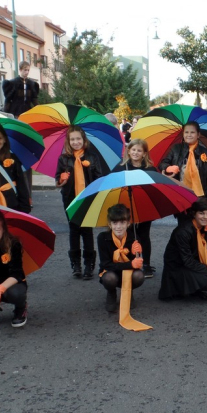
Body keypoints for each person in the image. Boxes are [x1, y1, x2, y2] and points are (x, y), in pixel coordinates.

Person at [55, 126, 102, 279]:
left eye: (78, 139)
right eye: (72, 139)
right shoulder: (63, 159)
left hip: (87, 198)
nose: (76, 142)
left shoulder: (92, 157)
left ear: (83, 140)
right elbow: (57, 181)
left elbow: (99, 178)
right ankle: (76, 264)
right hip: (70, 198)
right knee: (74, 230)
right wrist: (61, 179)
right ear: (68, 141)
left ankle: (89, 264)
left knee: (87, 231)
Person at [159, 197, 207, 301]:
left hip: (193, 260)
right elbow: (187, 261)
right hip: (178, 268)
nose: (205, 217)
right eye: (201, 213)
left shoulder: (204, 226)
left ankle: (194, 288)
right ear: (194, 214)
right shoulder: (183, 231)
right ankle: (186, 289)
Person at [113, 138, 158, 278]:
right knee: (130, 235)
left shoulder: (150, 169)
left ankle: (146, 264)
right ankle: (131, 261)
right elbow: (113, 185)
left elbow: (155, 188)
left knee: (144, 235)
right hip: (126, 206)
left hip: (145, 206)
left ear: (144, 153)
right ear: (128, 151)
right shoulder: (121, 167)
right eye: (133, 150)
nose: (136, 153)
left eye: (139, 150)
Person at [96, 204, 145, 313]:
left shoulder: (134, 238)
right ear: (109, 224)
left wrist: (136, 254)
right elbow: (106, 264)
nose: (118, 227)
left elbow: (136, 264)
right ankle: (111, 293)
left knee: (139, 275)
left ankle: (128, 292)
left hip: (128, 273)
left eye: (122, 222)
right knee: (109, 278)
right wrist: (130, 264)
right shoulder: (102, 238)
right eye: (115, 223)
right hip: (111, 272)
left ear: (128, 223)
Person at [159, 121, 207, 203]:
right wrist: (168, 168)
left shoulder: (205, 153)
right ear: (183, 134)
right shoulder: (176, 149)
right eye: (186, 132)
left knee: (198, 216)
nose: (189, 135)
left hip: (200, 196)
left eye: (192, 132)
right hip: (181, 193)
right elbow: (163, 164)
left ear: (198, 134)